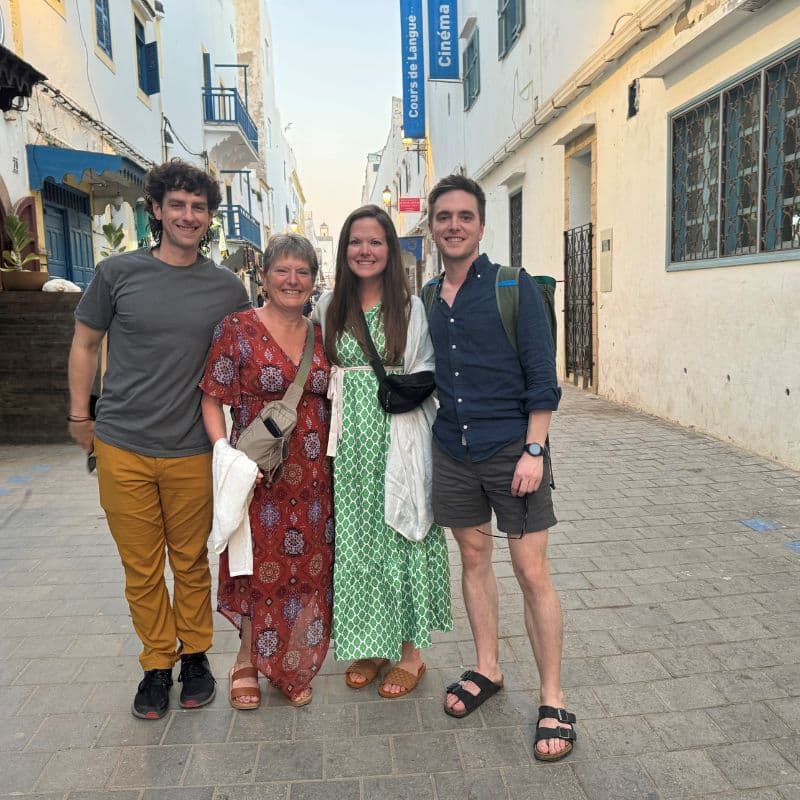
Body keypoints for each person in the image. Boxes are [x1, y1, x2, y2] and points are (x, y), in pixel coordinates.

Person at [67, 159, 251, 719]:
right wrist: (80, 417)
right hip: (122, 444)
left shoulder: (227, 288)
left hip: (193, 449)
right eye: (178, 205)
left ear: (209, 217)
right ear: (157, 209)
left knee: (191, 562)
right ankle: (155, 663)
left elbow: (248, 354)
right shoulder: (116, 273)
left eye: (199, 207)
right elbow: (85, 343)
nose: (188, 216)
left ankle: (195, 657)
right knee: (142, 567)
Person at [425, 174, 574, 762]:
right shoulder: (430, 297)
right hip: (453, 450)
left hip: (514, 451)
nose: (454, 225)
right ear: (431, 226)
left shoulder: (513, 286)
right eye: (444, 216)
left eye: (465, 216)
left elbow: (543, 378)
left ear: (481, 225)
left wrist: (535, 451)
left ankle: (553, 697)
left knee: (531, 571)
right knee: (473, 560)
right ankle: (488, 667)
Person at [315, 205, 451, 698]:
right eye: (356, 241)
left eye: (375, 242)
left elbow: (426, 368)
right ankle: (373, 645)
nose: (365, 250)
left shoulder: (410, 308)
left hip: (398, 437)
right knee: (359, 544)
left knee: (404, 536)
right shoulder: (328, 305)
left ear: (391, 250)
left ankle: (412, 654)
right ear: (344, 250)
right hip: (350, 446)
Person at [200, 234, 333, 709]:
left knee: (308, 571)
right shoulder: (236, 328)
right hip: (258, 475)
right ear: (263, 276)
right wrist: (227, 457)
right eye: (282, 270)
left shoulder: (322, 334)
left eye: (302, 272)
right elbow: (211, 399)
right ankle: (246, 660)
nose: (292, 280)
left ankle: (291, 662)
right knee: (256, 568)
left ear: (313, 281)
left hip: (315, 479)